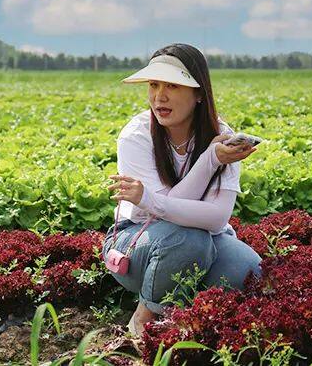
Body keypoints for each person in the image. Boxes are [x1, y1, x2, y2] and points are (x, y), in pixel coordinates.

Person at [103, 43, 261, 338]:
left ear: (199, 93)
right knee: (188, 241)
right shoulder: (136, 136)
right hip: (137, 243)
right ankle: (145, 317)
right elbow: (161, 217)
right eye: (154, 84)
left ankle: (185, 310)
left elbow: (217, 218)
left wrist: (152, 198)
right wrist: (210, 160)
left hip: (205, 239)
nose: (159, 96)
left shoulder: (222, 136)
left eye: (173, 86)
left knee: (250, 270)